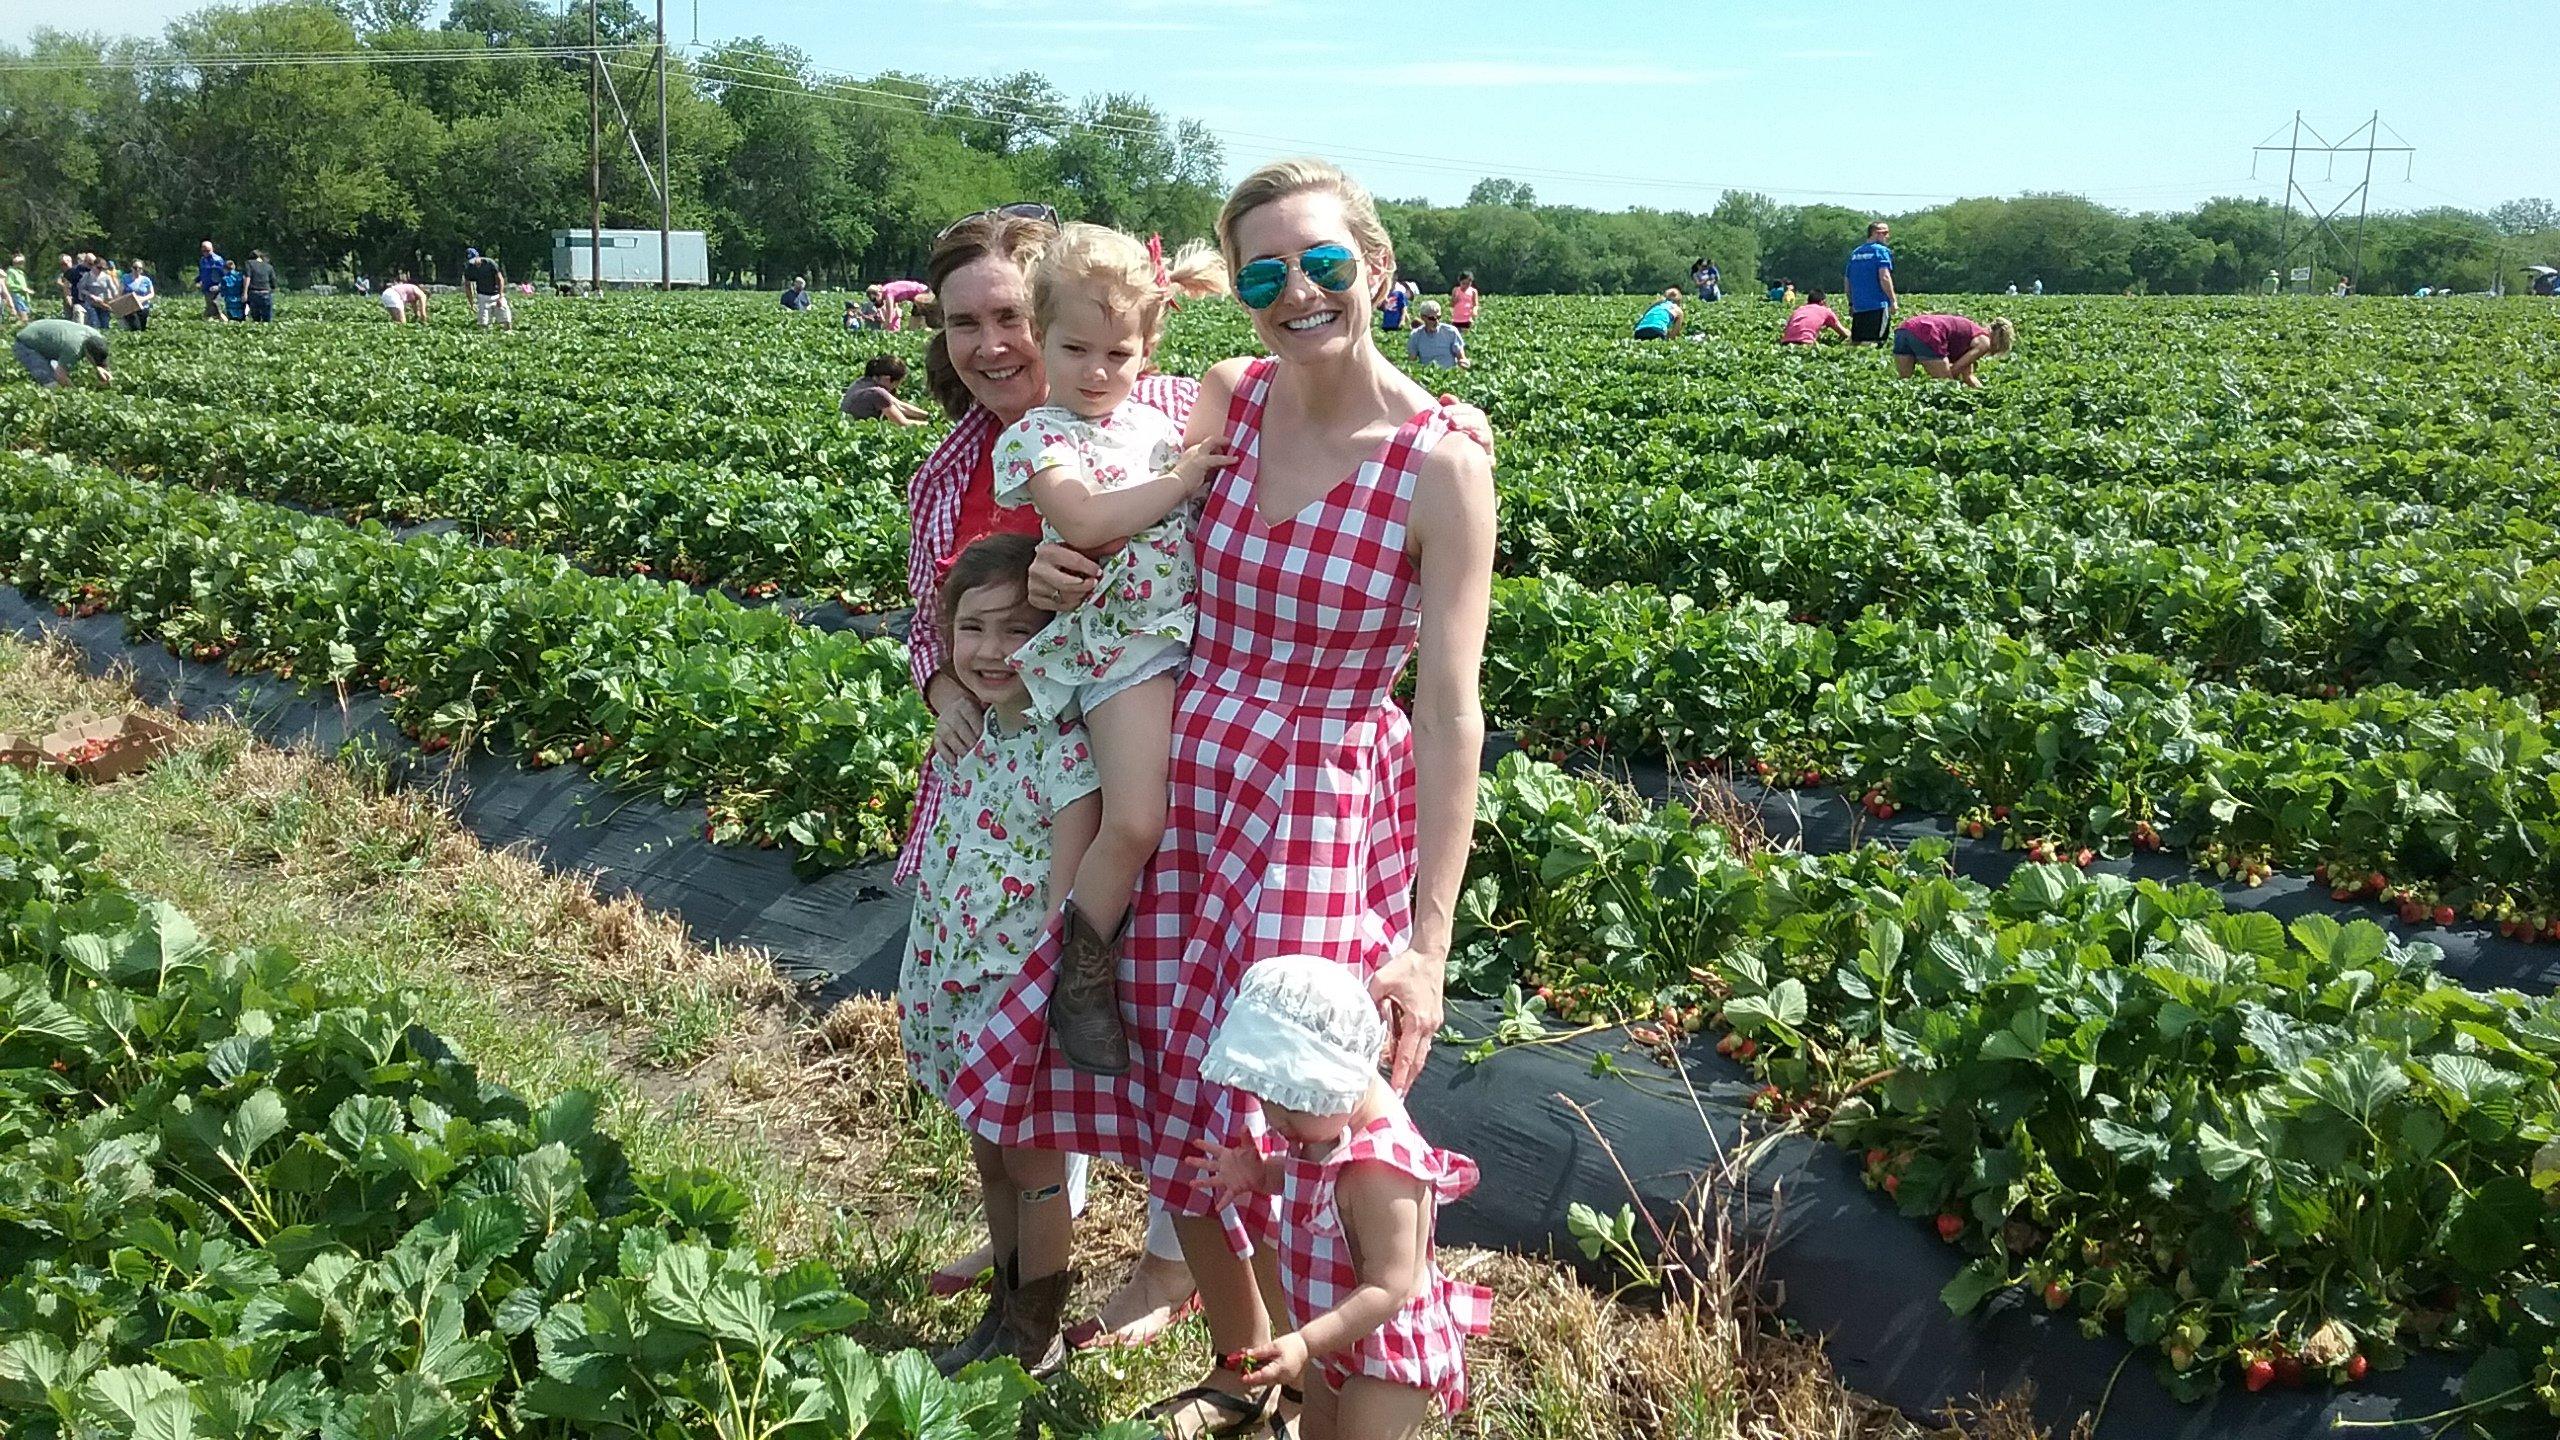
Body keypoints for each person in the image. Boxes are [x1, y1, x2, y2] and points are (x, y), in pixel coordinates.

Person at [950, 156, 1497, 1439]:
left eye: (1320, 263)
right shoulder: (1231, 398)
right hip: (1188, 759)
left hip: (1314, 799)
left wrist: (1429, 939)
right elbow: (1109, 530)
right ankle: (1245, 1369)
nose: (1295, 291)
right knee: (1172, 1088)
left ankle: (1354, 1365)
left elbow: (1448, 709)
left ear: (1376, 266)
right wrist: (1060, 582)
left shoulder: (1438, 462)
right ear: (1238, 293)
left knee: (1302, 1095)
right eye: (1263, 273)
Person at [895, 203, 1205, 1351]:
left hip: (1139, 739)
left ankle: (1173, 1264)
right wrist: (945, 694)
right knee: (1015, 1006)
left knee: (1164, 1005)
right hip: (1005, 785)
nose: (993, 345)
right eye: (964, 323)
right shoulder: (947, 473)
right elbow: (927, 628)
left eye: (1013, 318)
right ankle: (1042, 1220)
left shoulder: (1159, 413)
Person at [992, 222, 1235, 1081]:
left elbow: (1243, 390)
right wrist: (1178, 482)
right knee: (1134, 820)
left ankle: (1105, 960)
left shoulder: (1159, 416)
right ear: (1039, 340)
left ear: (1149, 349)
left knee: (1162, 831)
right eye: (1074, 348)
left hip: (1200, 646)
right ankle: (1075, 981)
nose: (1097, 372)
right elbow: (1086, 520)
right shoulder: (1036, 437)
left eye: (1119, 352)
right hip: (1124, 649)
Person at [905, 531, 1107, 1379]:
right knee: (988, 1152)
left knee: (1032, 1165)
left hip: (1016, 999)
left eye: (1017, 630)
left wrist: (1046, 995)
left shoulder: (1065, 749)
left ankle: (1039, 1333)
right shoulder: (967, 735)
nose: (992, 652)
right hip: (955, 979)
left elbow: (1068, 897)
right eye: (973, 629)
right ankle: (1005, 1307)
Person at [1198, 956, 1491, 1440]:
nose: (1276, 1120)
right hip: (1333, 1339)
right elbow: (1312, 1184)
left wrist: (1305, 1343)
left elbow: (1389, 1287)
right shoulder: (1328, 1125)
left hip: (1383, 1356)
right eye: (1269, 1099)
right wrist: (1260, 1173)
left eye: (1292, 1107)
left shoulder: (1382, 1171)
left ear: (1337, 1082)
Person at [1892, 312, 2014, 387]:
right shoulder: (1984, 342)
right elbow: (1955, 370)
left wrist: (1983, 393)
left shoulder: (1969, 335)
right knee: (1946, 386)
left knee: (1905, 382)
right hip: (1928, 332)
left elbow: (1968, 376)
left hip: (1905, 328)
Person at [13, 316, 111, 388]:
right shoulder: (73, 349)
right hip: (26, 342)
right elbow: (60, 375)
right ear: (88, 353)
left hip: (46, 335)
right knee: (49, 381)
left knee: (56, 367)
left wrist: (102, 370)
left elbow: (101, 361)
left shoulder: (97, 336)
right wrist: (74, 392)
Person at [1844, 220, 1896, 345]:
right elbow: (1884, 277)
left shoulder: (1856, 253)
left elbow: (1847, 281)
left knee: (1857, 344)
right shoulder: (1881, 251)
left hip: (1859, 307)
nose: (1887, 236)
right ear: (1875, 233)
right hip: (1878, 305)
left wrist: (1851, 303)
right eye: (1885, 233)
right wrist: (1893, 300)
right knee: (1876, 345)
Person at [841, 353, 931, 424]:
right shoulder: (878, 393)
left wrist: (927, 415)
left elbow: (899, 405)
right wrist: (928, 424)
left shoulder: (864, 382)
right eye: (897, 383)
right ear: (887, 379)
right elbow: (902, 423)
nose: (896, 387)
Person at [1404, 299, 1466, 368]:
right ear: (1423, 317)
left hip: (1449, 375)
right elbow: (1412, 361)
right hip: (1427, 375)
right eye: (1432, 318)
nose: (1437, 321)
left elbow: (1461, 358)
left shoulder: (1451, 332)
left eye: (1439, 317)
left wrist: (1464, 363)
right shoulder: (1416, 335)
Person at [463, 247, 513, 328]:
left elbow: (500, 279)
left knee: (506, 318)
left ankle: (508, 333)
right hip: (482, 296)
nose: (474, 262)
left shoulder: (490, 263)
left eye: (475, 259)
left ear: (478, 256)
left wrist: (500, 296)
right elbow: (467, 285)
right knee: (483, 322)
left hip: (496, 294)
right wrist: (471, 303)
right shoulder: (469, 268)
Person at [1781, 288, 1849, 346]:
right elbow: (1844, 333)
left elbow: (1787, 329)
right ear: (1822, 301)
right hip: (1805, 343)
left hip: (1786, 342)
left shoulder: (1799, 310)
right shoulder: (1826, 311)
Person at [76, 256, 118, 330]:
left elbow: (113, 290)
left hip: (103, 303)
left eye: (103, 269)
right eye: (99, 268)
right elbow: (81, 288)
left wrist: (115, 300)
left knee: (105, 324)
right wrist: (91, 295)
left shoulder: (106, 277)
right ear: (93, 266)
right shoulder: (87, 276)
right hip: (90, 303)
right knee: (94, 322)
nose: (100, 270)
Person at [243, 249, 277, 322]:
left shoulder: (249, 263)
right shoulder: (269, 266)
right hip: (266, 292)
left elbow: (247, 277)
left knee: (256, 319)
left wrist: (245, 292)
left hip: (254, 293)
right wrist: (272, 290)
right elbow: (273, 282)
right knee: (267, 319)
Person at [120, 260, 154, 332]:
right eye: (135, 267)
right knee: (134, 327)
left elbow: (151, 294)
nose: (137, 270)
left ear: (142, 270)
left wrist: (143, 298)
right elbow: (120, 292)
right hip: (129, 307)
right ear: (131, 268)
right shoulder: (125, 278)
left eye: (139, 268)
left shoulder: (146, 280)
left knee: (142, 327)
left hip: (143, 306)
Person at [196, 241, 226, 319]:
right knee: (210, 305)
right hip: (206, 287)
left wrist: (219, 286)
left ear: (212, 249)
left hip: (215, 287)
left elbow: (224, 274)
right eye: (204, 251)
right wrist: (198, 281)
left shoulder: (218, 260)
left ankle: (223, 319)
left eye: (208, 251)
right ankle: (211, 319)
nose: (206, 253)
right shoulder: (202, 260)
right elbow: (202, 273)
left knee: (215, 304)